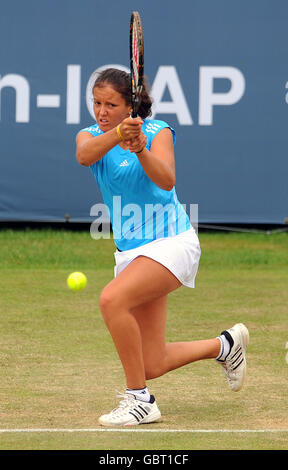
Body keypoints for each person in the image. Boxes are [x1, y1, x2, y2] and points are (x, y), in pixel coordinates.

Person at [76, 68, 249, 427]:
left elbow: (167, 179)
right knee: (151, 362)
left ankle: (139, 400)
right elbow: (85, 155)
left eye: (111, 104)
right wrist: (118, 136)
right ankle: (225, 345)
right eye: (97, 102)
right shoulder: (90, 136)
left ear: (131, 106)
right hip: (132, 254)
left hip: (172, 243)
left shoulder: (158, 131)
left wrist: (139, 148)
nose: (101, 111)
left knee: (112, 300)